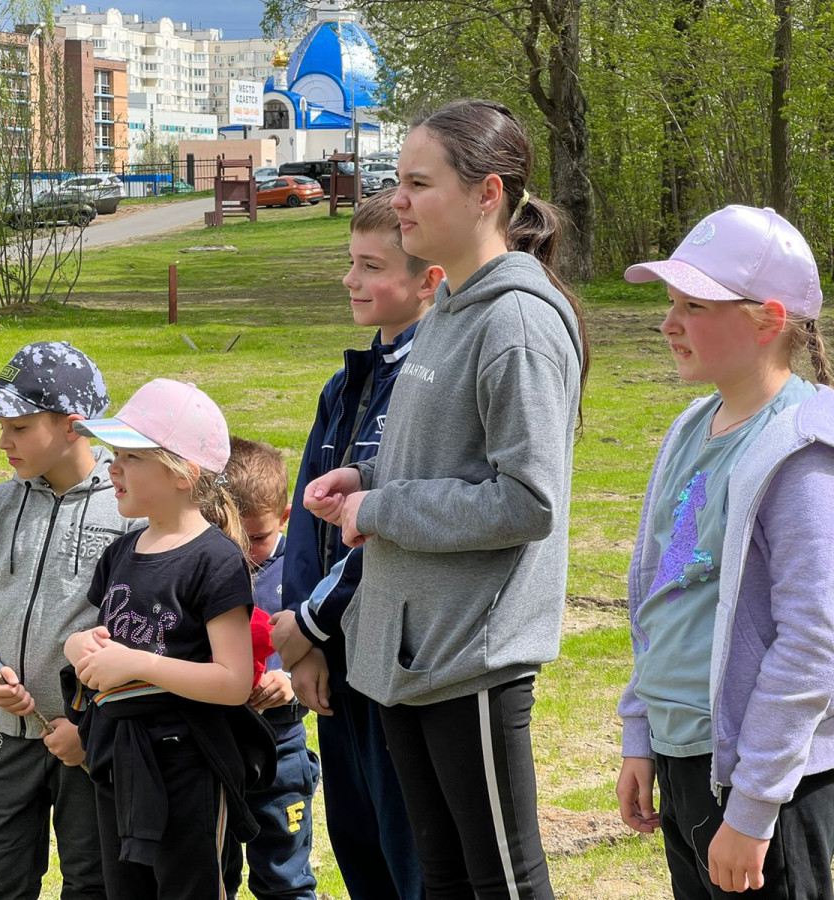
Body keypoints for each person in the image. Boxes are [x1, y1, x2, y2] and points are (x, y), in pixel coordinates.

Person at [304, 98, 589, 898]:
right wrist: (369, 481)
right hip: (407, 650)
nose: (398, 200)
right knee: (442, 877)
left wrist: (380, 511)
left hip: (473, 655)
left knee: (500, 877)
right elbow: (451, 462)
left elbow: (527, 500)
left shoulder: (519, 323)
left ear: (486, 193)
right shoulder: (449, 312)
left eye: (417, 183)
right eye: (398, 180)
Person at [616, 205, 834, 898]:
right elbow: (661, 595)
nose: (668, 321)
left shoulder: (801, 454)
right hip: (686, 761)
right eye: (670, 301)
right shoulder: (689, 428)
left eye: (694, 304)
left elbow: (811, 641)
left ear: (769, 320)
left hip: (765, 782)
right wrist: (640, 734)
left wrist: (754, 806)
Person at [270, 189, 441, 900]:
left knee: (412, 854)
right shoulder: (343, 385)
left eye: (371, 266)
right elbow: (306, 520)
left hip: (397, 659)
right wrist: (305, 645)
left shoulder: (430, 387)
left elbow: (392, 530)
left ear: (429, 280)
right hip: (333, 657)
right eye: (350, 263)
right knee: (359, 841)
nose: (351, 281)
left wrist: (308, 626)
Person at [63, 378, 277, 900]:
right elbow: (98, 636)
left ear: (183, 473)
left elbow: (230, 682)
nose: (111, 467)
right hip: (118, 757)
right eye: (113, 454)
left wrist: (136, 665)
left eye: (130, 457)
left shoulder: (215, 560)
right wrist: (77, 648)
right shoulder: (121, 551)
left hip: (187, 764)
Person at [0, 340, 138, 899]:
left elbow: (142, 635)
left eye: (20, 427)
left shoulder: (129, 506)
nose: (3, 441)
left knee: (91, 878)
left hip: (87, 740)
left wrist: (91, 726)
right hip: (6, 735)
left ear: (75, 426)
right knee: (3, 878)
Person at [222, 435, 321, 900]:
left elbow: (327, 651)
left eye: (256, 538)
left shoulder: (304, 570)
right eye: (230, 536)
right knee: (208, 873)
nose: (244, 550)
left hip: (280, 745)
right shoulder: (206, 565)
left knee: (283, 876)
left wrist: (289, 682)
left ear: (284, 518)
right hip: (214, 744)